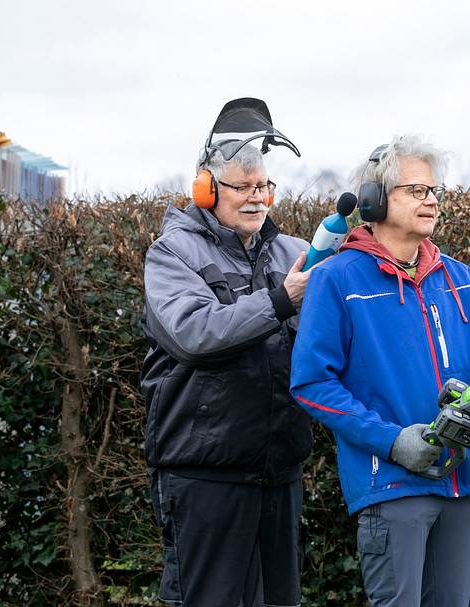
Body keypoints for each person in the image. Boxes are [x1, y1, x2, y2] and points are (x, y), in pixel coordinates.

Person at [290, 135, 470, 606]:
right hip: (392, 486)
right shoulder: (337, 280)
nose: (431, 199)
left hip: (466, 481)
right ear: (375, 200)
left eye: (434, 191)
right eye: (416, 190)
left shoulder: (458, 277)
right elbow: (311, 382)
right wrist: (392, 441)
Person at [141, 123, 314, 606]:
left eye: (265, 187)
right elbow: (196, 334)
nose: (258, 198)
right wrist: (282, 299)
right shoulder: (173, 253)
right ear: (207, 189)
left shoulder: (295, 253)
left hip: (280, 474)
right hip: (204, 477)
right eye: (244, 187)